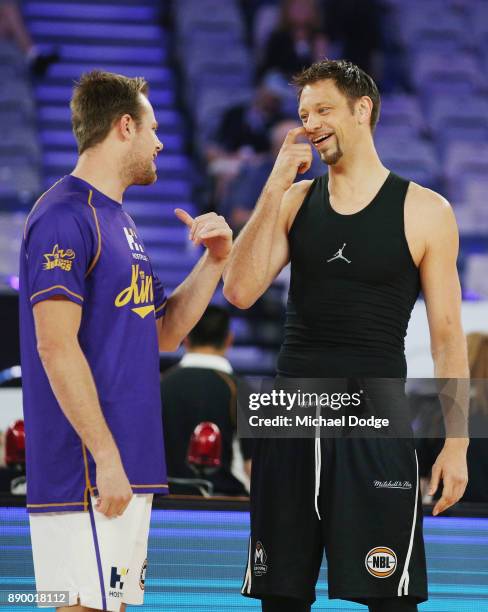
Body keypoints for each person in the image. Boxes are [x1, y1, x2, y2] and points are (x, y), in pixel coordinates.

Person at [223, 60, 469, 611]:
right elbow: (238, 290)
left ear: (363, 110)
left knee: (389, 599)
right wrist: (277, 178)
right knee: (280, 599)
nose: (309, 123)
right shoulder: (293, 200)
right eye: (303, 113)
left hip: (374, 416)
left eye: (323, 109)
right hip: (289, 412)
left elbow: (448, 334)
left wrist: (456, 444)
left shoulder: (426, 210)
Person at [19, 70, 232, 612]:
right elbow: (55, 347)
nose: (161, 142)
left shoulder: (121, 223)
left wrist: (214, 263)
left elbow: (165, 331)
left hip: (125, 466)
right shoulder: (64, 215)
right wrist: (105, 457)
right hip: (86, 470)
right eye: (153, 129)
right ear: (124, 126)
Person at [161, 305, 252, 496]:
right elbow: (252, 466)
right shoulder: (244, 391)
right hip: (225, 511)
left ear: (185, 338)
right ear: (229, 339)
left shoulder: (158, 386)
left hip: (165, 506)